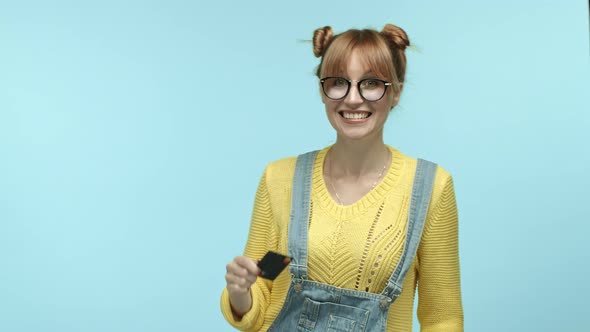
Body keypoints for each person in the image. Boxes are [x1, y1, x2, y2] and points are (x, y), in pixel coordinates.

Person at [221, 23, 463, 332]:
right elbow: (265, 282)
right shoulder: (281, 179)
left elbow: (443, 319)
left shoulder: (430, 188)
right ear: (322, 91)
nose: (352, 99)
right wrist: (240, 293)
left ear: (396, 92)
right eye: (338, 82)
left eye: (371, 83)